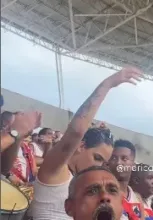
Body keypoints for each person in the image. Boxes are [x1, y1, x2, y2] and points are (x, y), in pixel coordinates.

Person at [29, 67, 143, 220]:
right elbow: (77, 131)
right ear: (81, 146)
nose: (100, 166)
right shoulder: (56, 173)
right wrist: (107, 84)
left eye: (104, 162)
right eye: (97, 157)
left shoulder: (102, 192)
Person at [106, 139, 145, 220]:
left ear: (133, 165)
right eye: (113, 158)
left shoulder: (137, 198)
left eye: (124, 159)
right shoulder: (103, 192)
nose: (118, 162)